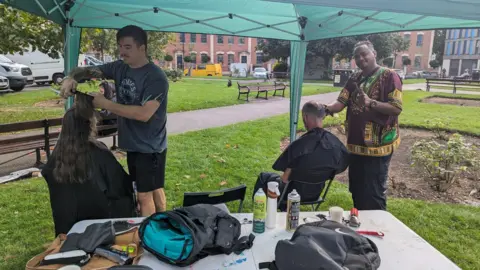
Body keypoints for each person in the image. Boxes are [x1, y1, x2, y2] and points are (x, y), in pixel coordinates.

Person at [60, 25, 169, 216]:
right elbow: (88, 71)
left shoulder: (156, 77)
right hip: (133, 144)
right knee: (152, 187)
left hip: (150, 146)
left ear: (142, 48)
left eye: (127, 47)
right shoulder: (119, 68)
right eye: (120, 46)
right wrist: (72, 77)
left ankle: (150, 237)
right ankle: (164, 221)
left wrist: (106, 103)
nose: (121, 52)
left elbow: (144, 114)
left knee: (144, 196)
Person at [41, 93, 135, 235]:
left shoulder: (56, 156)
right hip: (101, 223)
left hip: (66, 227)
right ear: (89, 125)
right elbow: (121, 185)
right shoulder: (99, 152)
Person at [325, 40, 403, 210]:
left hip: (379, 145)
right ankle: (360, 223)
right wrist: (326, 108)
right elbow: (341, 101)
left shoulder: (390, 76)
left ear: (374, 54)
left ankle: (378, 227)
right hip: (356, 143)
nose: (360, 59)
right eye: (357, 56)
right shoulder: (355, 78)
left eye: (364, 54)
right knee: (357, 187)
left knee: (374, 190)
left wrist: (371, 103)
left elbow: (396, 108)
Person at [252, 101, 349, 210]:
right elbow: (341, 165)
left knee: (264, 177)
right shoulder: (336, 144)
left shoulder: (300, 145)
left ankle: (259, 214)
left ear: (306, 117)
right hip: (315, 193)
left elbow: (284, 180)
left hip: (291, 194)